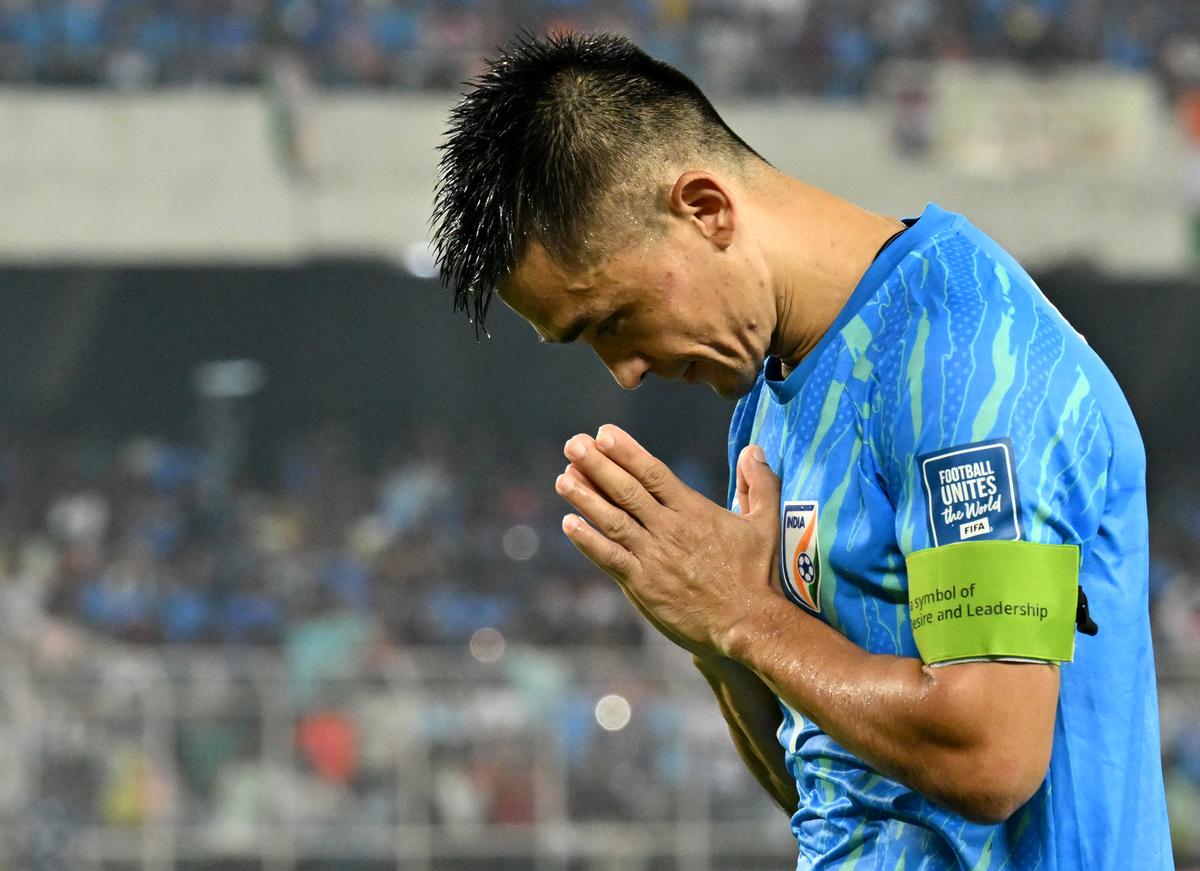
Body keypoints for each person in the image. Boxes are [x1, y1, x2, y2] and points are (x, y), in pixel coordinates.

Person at [430, 31, 1173, 870]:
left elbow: (990, 752)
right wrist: (714, 637)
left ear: (705, 208)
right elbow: (833, 784)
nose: (626, 371)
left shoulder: (970, 359)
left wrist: (745, 615)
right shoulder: (767, 406)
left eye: (613, 318)